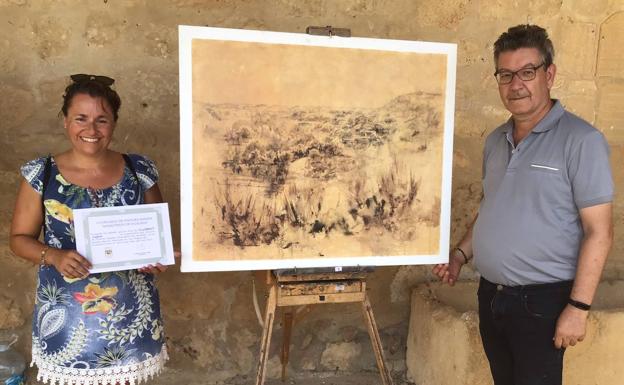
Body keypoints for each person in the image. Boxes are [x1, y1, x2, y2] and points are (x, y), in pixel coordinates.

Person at [433, 25, 613, 385]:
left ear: (549, 74)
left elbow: (600, 231)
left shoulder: (581, 141)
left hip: (542, 303)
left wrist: (578, 309)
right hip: (492, 296)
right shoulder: (495, 142)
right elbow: (491, 209)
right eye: (506, 74)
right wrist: (459, 255)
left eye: (527, 72)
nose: (516, 84)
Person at [10, 74, 169, 385]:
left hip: (130, 314)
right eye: (81, 118)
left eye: (102, 120)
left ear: (114, 124)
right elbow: (18, 240)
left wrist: (159, 256)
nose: (91, 130)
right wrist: (53, 255)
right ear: (65, 121)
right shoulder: (41, 174)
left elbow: (157, 234)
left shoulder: (139, 170)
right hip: (68, 318)